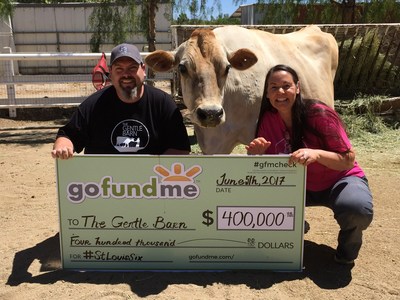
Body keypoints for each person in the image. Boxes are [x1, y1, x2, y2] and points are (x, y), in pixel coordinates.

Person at [246, 64, 373, 265]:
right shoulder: (267, 119)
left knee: (356, 209)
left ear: (297, 88)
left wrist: (316, 154)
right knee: (252, 195)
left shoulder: (319, 114)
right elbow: (268, 170)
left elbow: (347, 159)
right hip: (296, 186)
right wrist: (258, 154)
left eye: (286, 86)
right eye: (273, 87)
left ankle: (347, 250)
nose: (280, 92)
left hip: (338, 180)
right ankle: (293, 228)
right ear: (267, 93)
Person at [51, 43, 190, 158]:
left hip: (151, 185)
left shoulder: (163, 104)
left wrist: (152, 170)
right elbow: (67, 136)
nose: (126, 74)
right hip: (104, 184)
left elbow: (181, 149)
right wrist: (64, 146)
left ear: (143, 70)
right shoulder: (93, 105)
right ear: (110, 73)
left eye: (132, 68)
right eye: (119, 69)